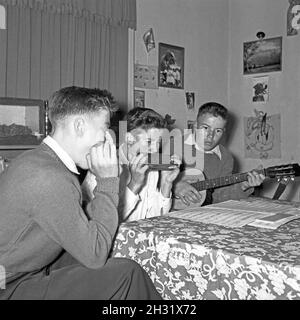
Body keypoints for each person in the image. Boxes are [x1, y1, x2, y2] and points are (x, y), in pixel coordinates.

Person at [0, 86, 162, 300]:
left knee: (113, 257)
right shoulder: (49, 177)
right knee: (127, 274)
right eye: (105, 130)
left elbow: (83, 221)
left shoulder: (39, 160)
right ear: (79, 126)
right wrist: (107, 181)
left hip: (28, 267)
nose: (107, 140)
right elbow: (94, 255)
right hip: (10, 284)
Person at [82, 107, 180, 222]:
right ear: (129, 138)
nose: (155, 149)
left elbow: (156, 216)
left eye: (158, 142)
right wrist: (135, 184)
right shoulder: (102, 168)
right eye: (149, 141)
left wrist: (166, 183)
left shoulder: (149, 167)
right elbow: (103, 223)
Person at [173, 102, 265, 208]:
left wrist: (244, 185)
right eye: (205, 128)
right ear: (195, 126)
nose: (210, 136)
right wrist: (175, 186)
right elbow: (151, 181)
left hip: (202, 214)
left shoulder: (225, 157)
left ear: (223, 132)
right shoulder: (174, 146)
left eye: (218, 131)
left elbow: (218, 197)